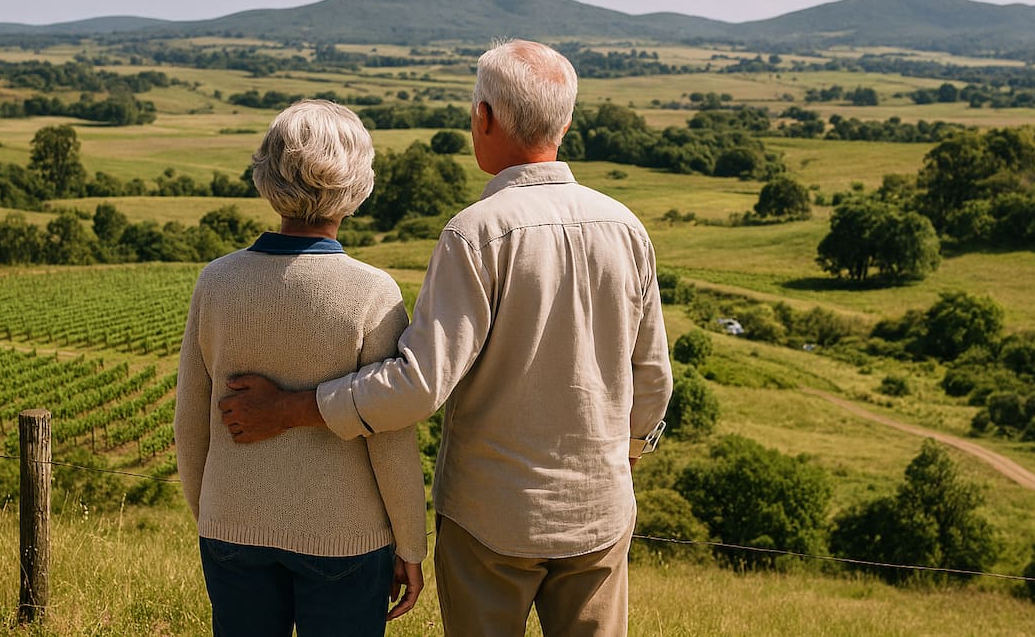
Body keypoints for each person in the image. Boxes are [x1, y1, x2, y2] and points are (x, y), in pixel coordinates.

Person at [219, 40, 673, 636]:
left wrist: (289, 408)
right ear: (565, 123)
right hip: (599, 514)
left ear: (483, 117)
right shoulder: (626, 228)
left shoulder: (476, 234)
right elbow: (654, 379)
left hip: (490, 515)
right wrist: (625, 457)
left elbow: (417, 387)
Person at [174, 99, 427, 637]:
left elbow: (191, 417)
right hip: (347, 535)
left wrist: (213, 513)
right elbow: (388, 432)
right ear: (357, 183)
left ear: (267, 174)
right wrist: (410, 541)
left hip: (231, 524)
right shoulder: (372, 292)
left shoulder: (215, 283)